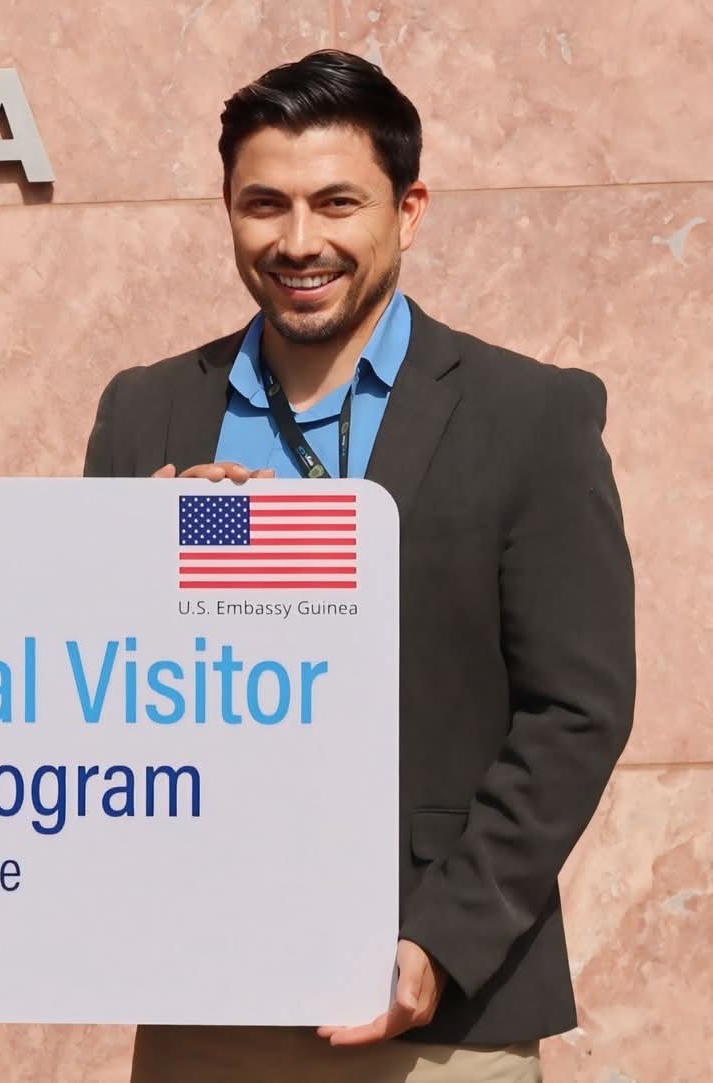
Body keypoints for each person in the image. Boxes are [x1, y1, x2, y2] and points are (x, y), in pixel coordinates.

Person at [83, 51, 635, 1083]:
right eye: (265, 205)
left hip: (437, 1017)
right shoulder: (145, 411)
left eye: (336, 202)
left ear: (408, 209)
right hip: (206, 1004)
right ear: (228, 210)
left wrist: (440, 940)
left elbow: (577, 710)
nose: (299, 241)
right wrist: (135, 569)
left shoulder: (531, 416)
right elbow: (91, 689)